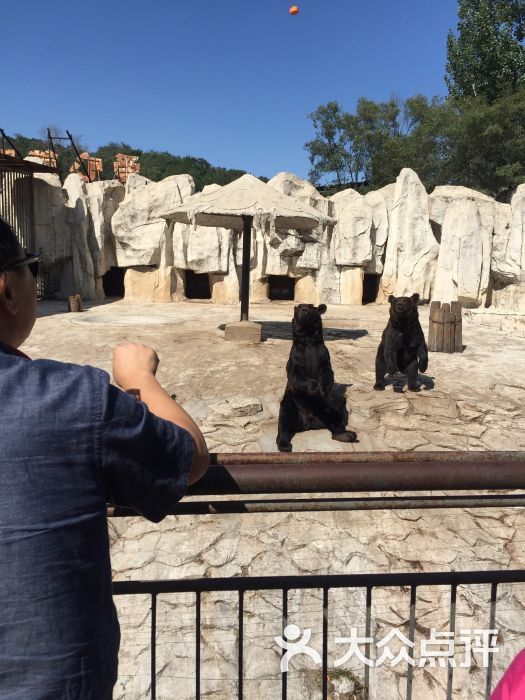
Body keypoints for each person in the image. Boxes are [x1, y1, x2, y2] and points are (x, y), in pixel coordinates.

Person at [0, 216, 209, 699]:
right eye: (32, 268)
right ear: (8, 290)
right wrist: (140, 377)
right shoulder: (70, 397)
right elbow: (189, 457)